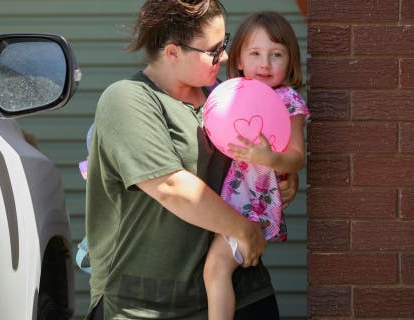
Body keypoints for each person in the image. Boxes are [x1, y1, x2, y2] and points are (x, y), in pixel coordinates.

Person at [84, 1, 296, 319]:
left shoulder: (226, 98)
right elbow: (172, 187)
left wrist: (279, 181)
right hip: (145, 306)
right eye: (213, 50)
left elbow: (264, 163)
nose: (224, 57)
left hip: (242, 295)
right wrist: (245, 230)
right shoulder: (128, 99)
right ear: (173, 52)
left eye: (224, 45)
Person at [202, 11, 310, 320]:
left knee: (216, 268)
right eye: (256, 53)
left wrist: (269, 158)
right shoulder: (230, 97)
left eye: (276, 54)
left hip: (254, 203)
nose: (265, 64)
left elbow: (297, 157)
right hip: (230, 201)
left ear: (290, 62)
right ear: (238, 60)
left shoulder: (287, 100)